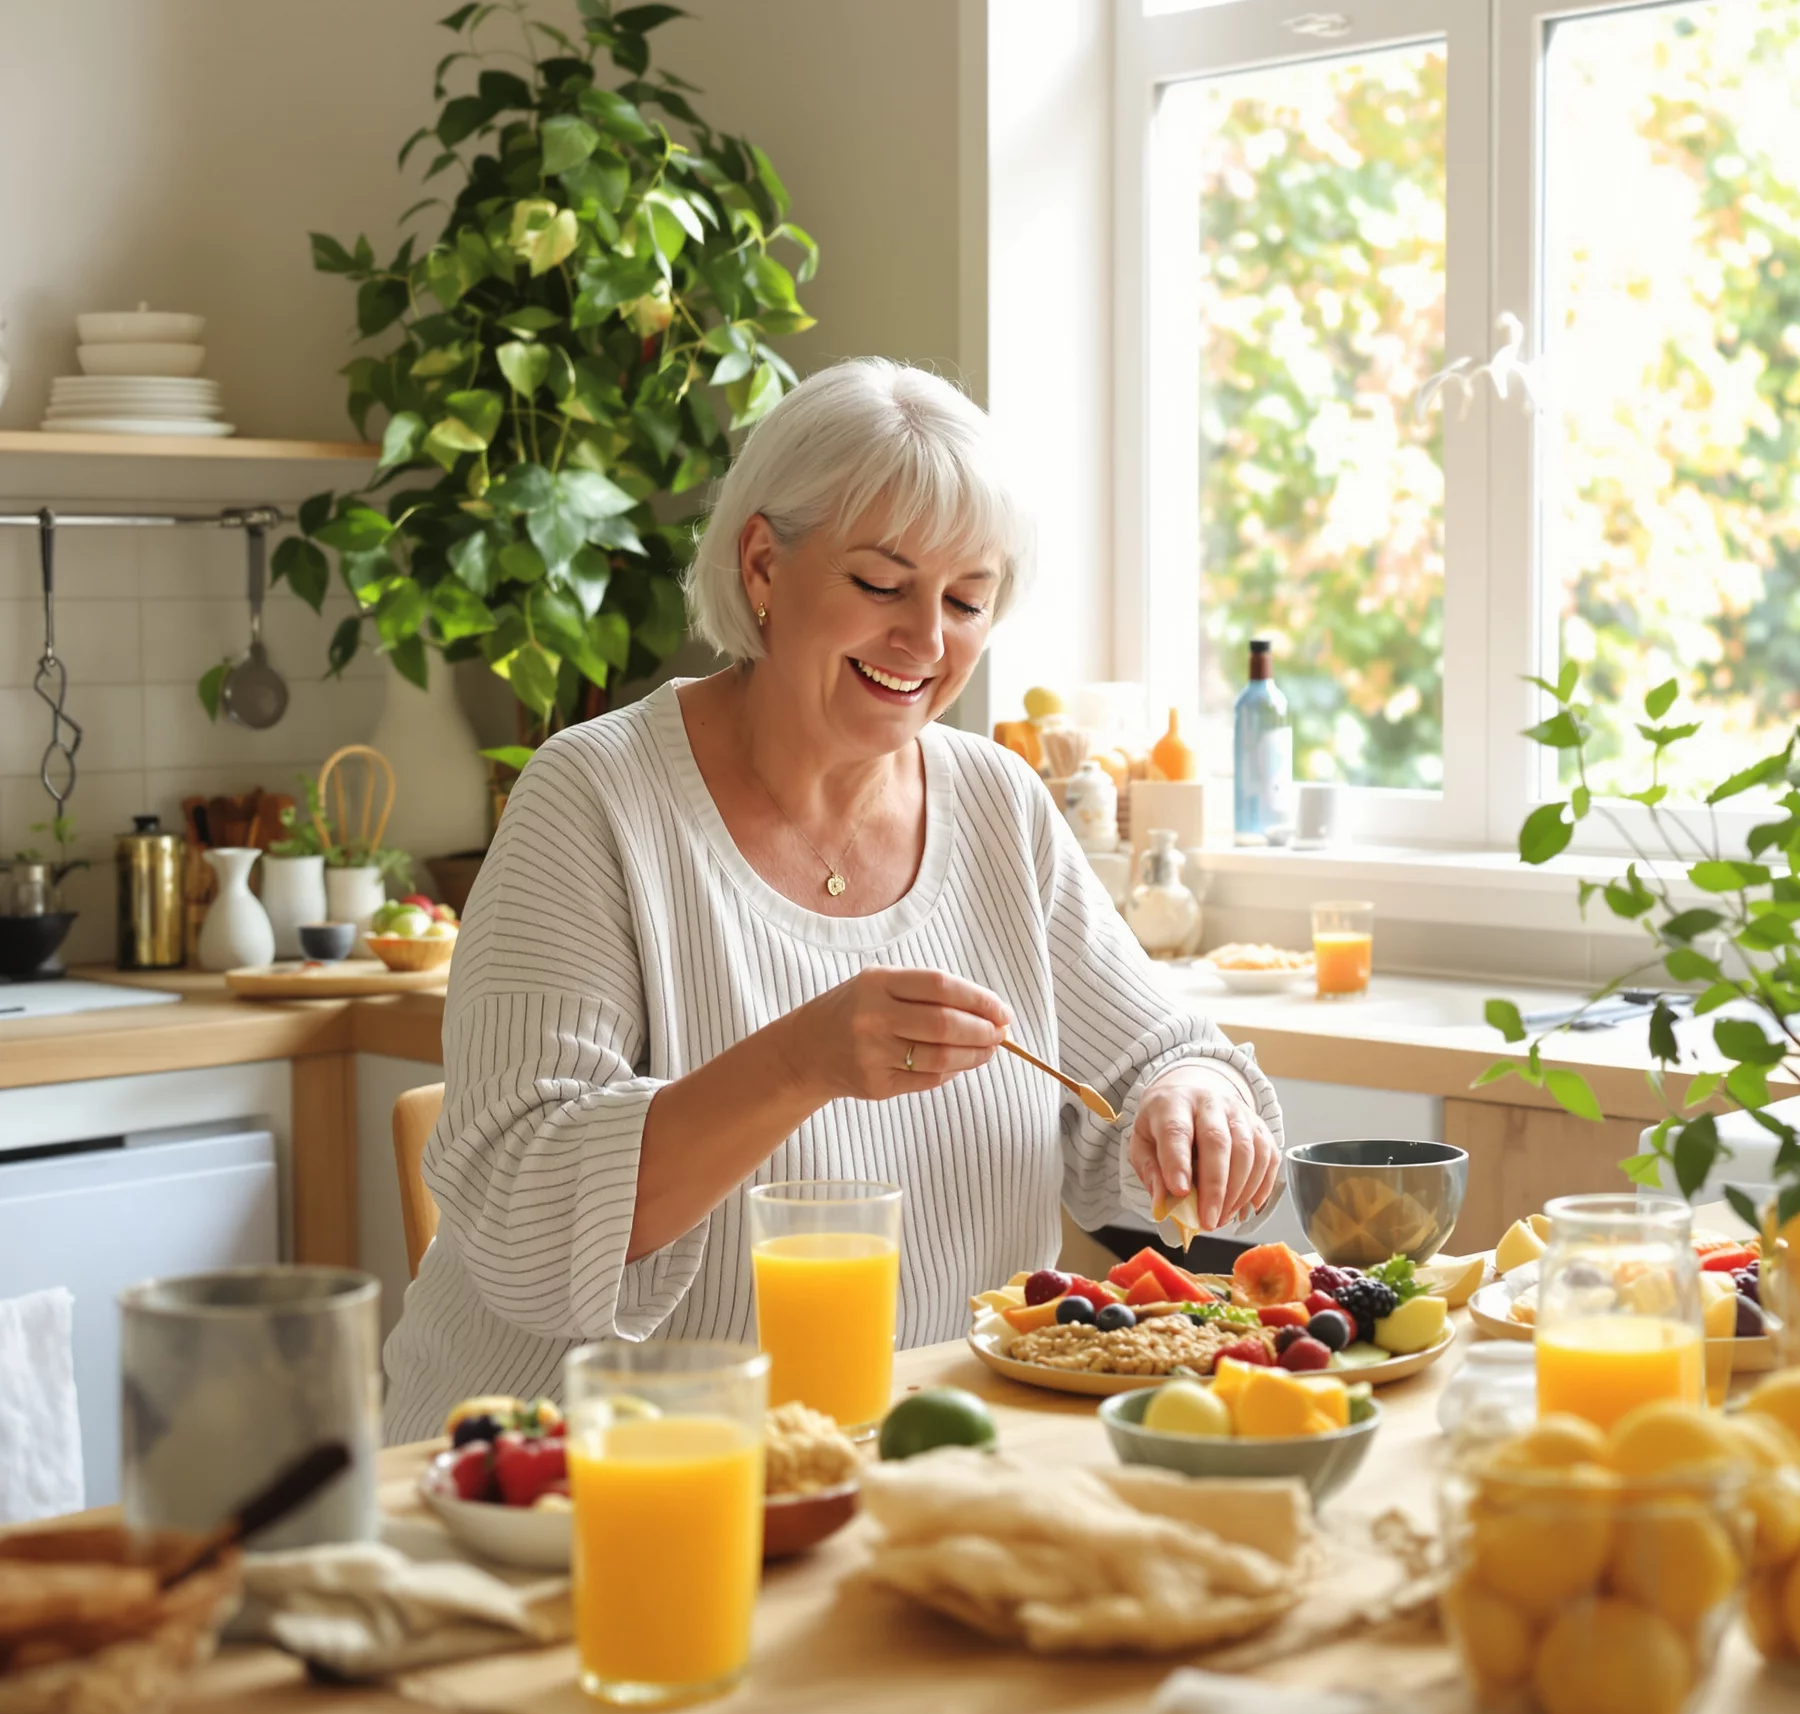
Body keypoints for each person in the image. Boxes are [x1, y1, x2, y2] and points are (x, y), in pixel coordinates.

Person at [384, 359, 1283, 1439]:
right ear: (763, 563)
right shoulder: (593, 798)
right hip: (575, 1471)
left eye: (965, 600)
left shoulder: (997, 802)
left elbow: (1140, 1065)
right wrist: (796, 1060)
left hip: (912, 1454)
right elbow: (523, 1215)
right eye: (878, 583)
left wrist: (1189, 1095)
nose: (924, 640)